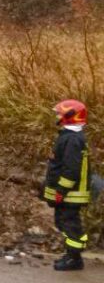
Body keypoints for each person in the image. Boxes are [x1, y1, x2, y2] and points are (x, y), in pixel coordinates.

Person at [43, 99, 91, 271]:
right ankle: (71, 254)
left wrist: (61, 191)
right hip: (68, 192)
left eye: (60, 113)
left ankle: (74, 259)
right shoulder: (70, 137)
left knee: (69, 224)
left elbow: (71, 169)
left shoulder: (72, 140)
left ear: (71, 116)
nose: (57, 116)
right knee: (64, 222)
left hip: (70, 193)